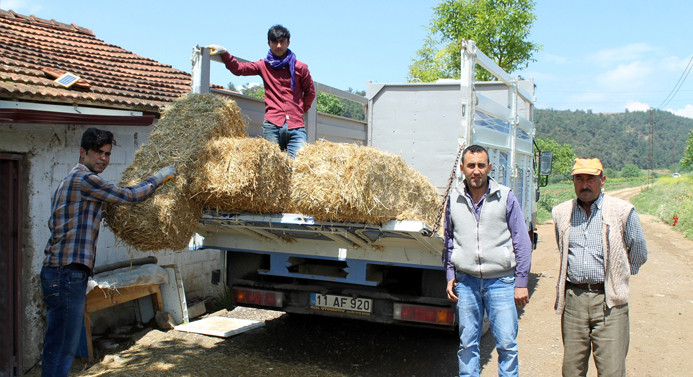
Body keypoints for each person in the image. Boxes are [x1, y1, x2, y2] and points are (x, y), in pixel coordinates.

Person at [41, 127, 177, 377]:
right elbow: (129, 196)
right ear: (83, 153)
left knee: (57, 344)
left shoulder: (67, 180)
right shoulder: (85, 180)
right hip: (67, 274)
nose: (103, 158)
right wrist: (159, 178)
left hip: (57, 272)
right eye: (98, 153)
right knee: (63, 348)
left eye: (107, 153)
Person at [552, 158, 647, 377]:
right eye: (579, 179)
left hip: (609, 302)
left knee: (611, 370)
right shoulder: (561, 213)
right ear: (573, 182)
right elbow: (562, 248)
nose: (585, 184)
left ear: (602, 180)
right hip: (573, 300)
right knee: (572, 369)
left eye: (590, 179)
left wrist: (618, 276)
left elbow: (639, 251)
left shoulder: (623, 211)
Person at [442, 144, 532, 377]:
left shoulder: (505, 197)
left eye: (481, 165)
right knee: (467, 345)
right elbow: (450, 240)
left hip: (501, 282)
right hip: (467, 282)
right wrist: (450, 276)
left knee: (506, 345)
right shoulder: (454, 199)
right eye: (471, 165)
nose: (476, 170)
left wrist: (521, 282)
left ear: (489, 167)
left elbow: (522, 242)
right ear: (462, 168)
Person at [206, 24, 316, 158]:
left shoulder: (301, 67)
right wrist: (224, 53)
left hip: (296, 126)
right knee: (272, 166)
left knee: (300, 165)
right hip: (272, 125)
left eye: (282, 41)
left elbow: (310, 92)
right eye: (275, 42)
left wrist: (299, 110)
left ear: (288, 42)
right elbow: (239, 69)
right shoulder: (263, 65)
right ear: (269, 43)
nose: (279, 46)